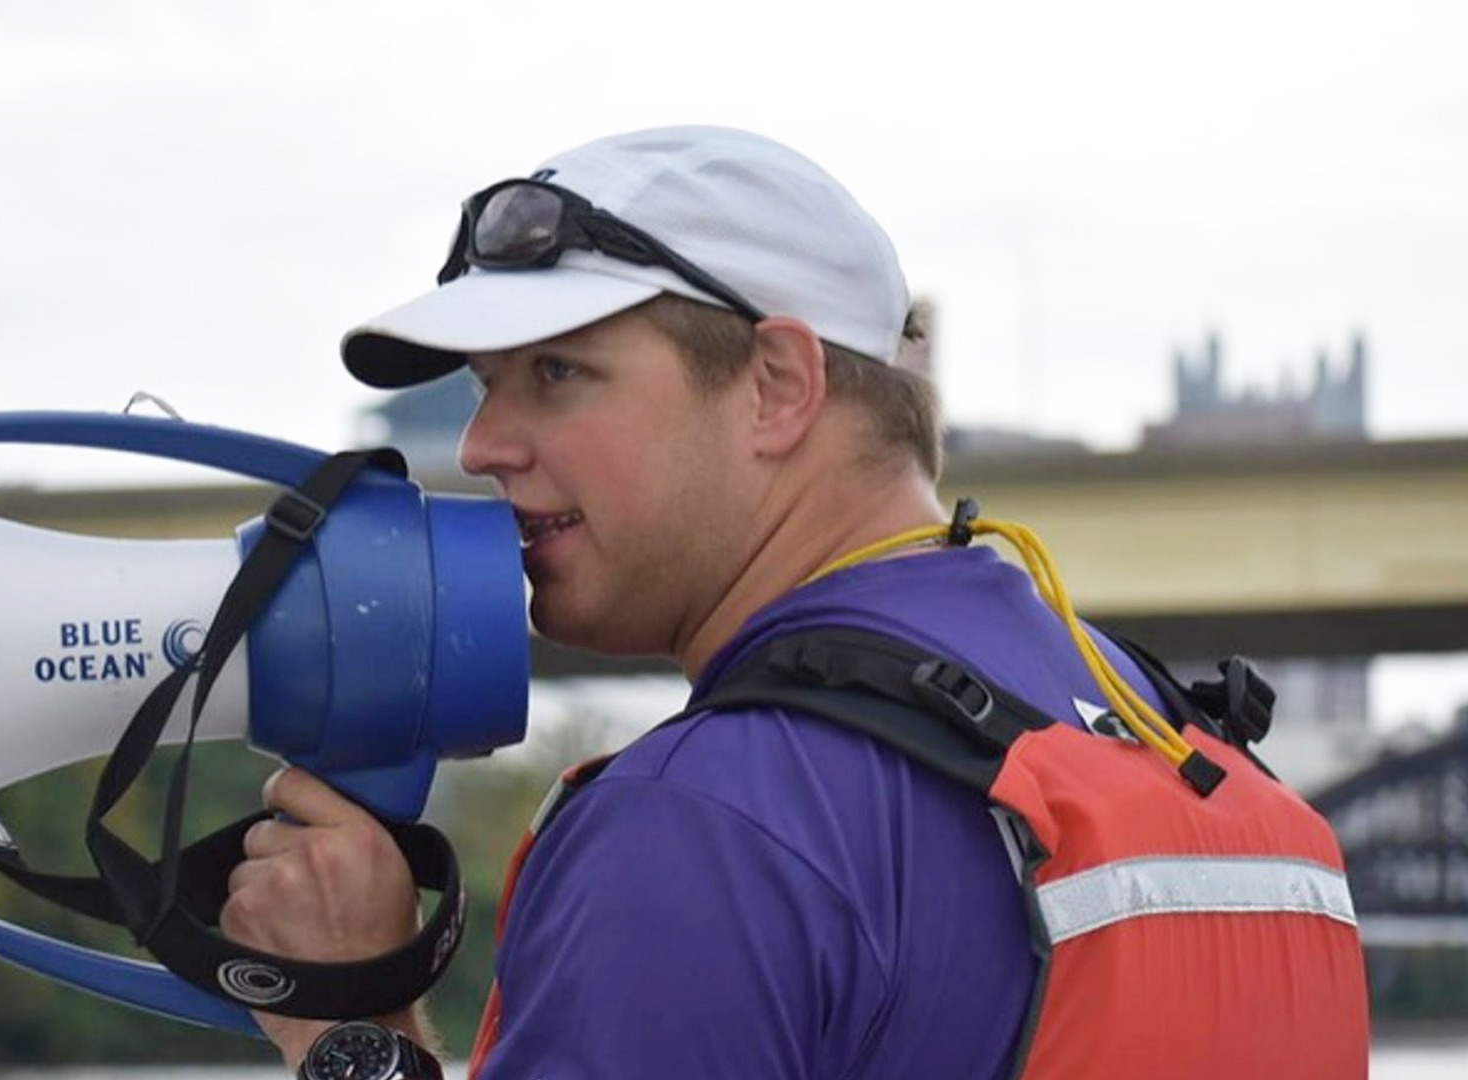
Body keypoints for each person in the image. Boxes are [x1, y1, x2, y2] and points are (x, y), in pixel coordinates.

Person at [218, 126, 1368, 1079]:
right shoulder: (1199, 764)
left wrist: (344, 1032)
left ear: (777, 387)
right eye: (484, 390)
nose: (480, 446)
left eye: (557, 375)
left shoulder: (711, 826)